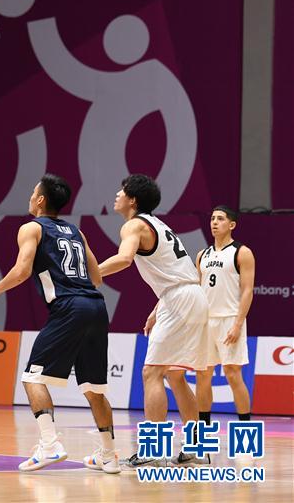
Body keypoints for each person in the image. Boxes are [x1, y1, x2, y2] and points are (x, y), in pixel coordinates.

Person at [0, 175, 118, 473]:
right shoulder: (76, 231)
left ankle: (49, 445)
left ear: (41, 200)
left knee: (32, 378)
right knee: (94, 388)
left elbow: (22, 270)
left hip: (69, 307)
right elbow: (97, 277)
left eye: (33, 192)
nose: (30, 196)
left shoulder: (31, 228)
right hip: (96, 306)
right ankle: (109, 455)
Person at [98, 174, 208, 467]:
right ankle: (196, 448)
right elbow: (177, 273)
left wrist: (90, 272)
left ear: (133, 200)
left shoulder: (133, 225)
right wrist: (157, 309)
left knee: (151, 373)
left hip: (180, 298)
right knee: (174, 375)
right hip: (190, 296)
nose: (117, 195)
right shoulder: (159, 224)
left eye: (122, 191)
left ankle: (153, 450)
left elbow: (124, 259)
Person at [195, 206, 256, 436]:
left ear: (232, 225)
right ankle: (203, 431)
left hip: (230, 319)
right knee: (203, 375)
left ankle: (245, 430)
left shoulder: (242, 252)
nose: (214, 222)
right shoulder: (202, 255)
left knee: (232, 374)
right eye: (212, 218)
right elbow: (196, 289)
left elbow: (247, 290)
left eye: (220, 219)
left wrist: (238, 324)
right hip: (205, 321)